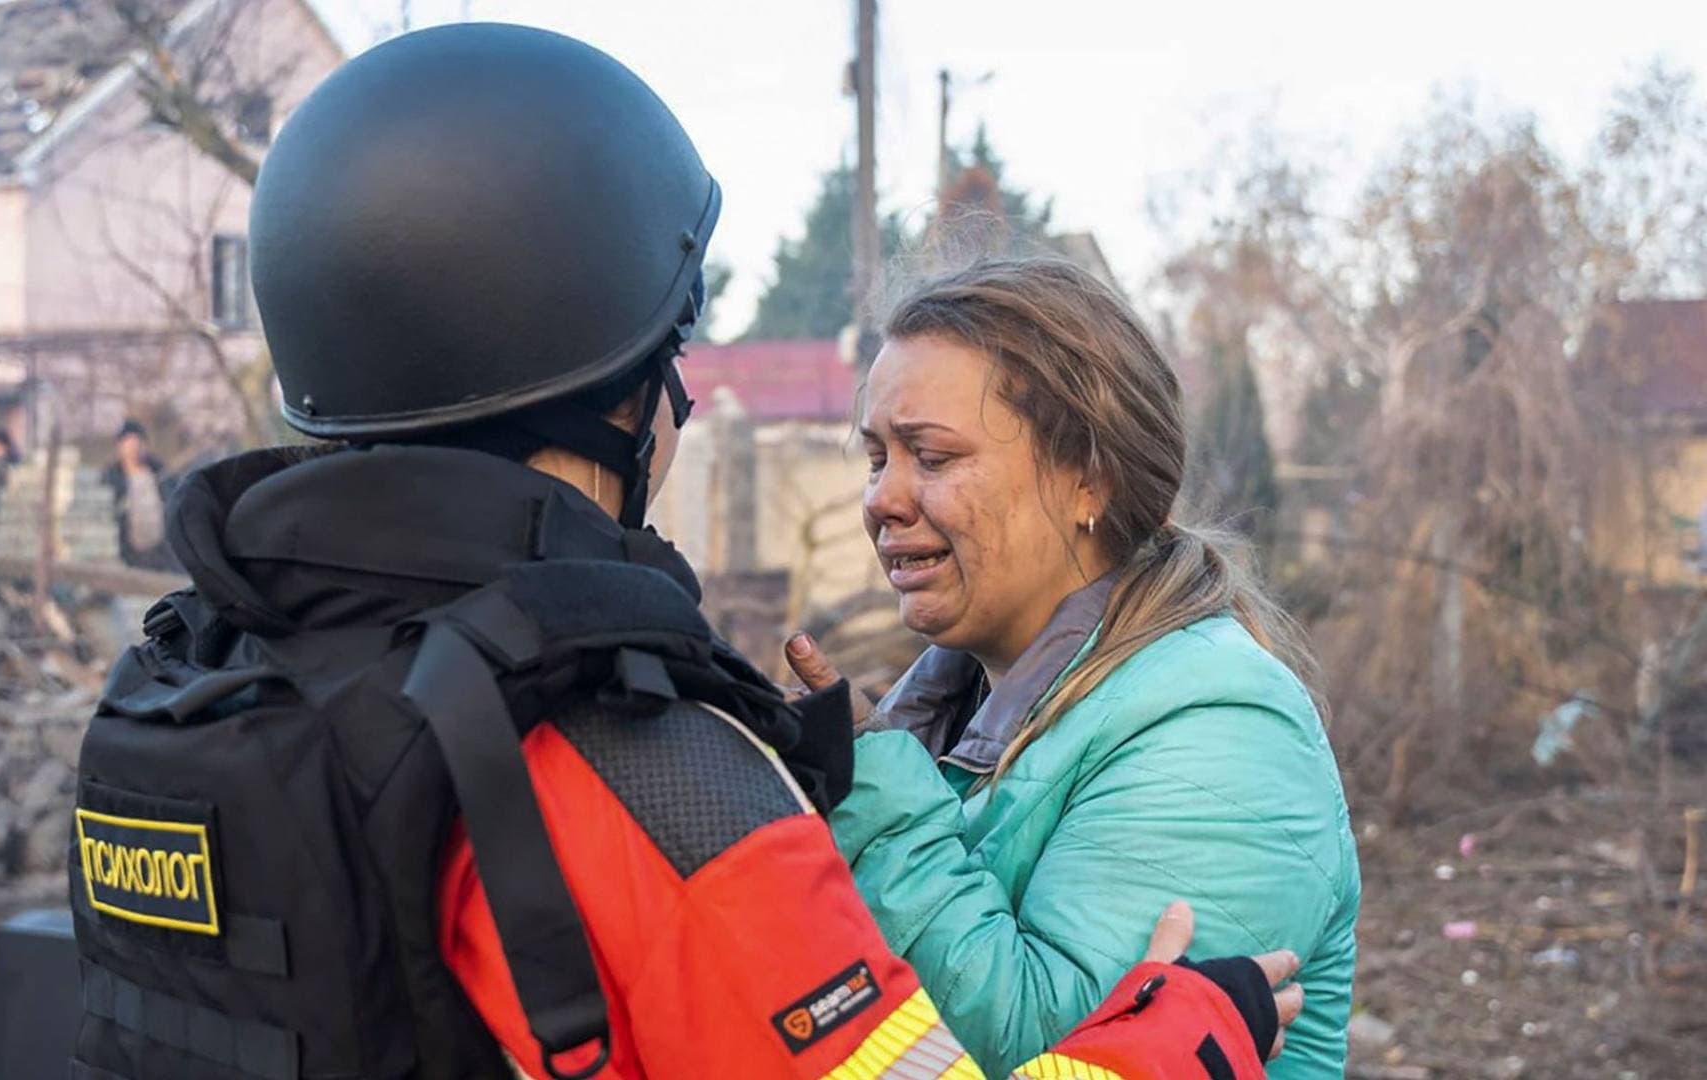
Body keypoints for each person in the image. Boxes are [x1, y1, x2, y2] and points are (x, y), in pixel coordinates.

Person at [66, 25, 1297, 1080]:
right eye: (674, 360)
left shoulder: (192, 692)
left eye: (931, 454)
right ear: (622, 395)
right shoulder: (647, 776)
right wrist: (1181, 1036)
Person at [785, 257, 1361, 1078]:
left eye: (932, 457)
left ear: (1090, 479)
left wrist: (873, 801)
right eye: (878, 458)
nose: (881, 498)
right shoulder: (946, 716)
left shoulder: (1223, 730)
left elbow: (1060, 1051)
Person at [99, 419, 172, 570]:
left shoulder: (160, 474)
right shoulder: (111, 478)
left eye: (138, 442)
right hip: (126, 555)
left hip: (161, 555)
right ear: (120, 446)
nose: (134, 448)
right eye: (128, 443)